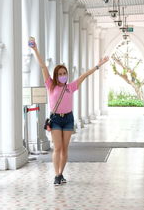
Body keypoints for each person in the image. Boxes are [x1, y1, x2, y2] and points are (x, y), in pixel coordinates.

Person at [28, 37, 109, 186]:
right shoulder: (50, 85)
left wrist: (99, 65)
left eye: (64, 73)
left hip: (69, 119)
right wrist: (35, 49)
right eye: (60, 73)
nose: (63, 75)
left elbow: (85, 75)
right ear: (56, 75)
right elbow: (43, 67)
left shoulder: (70, 87)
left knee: (65, 149)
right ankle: (56, 175)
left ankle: (61, 173)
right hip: (56, 120)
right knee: (57, 148)